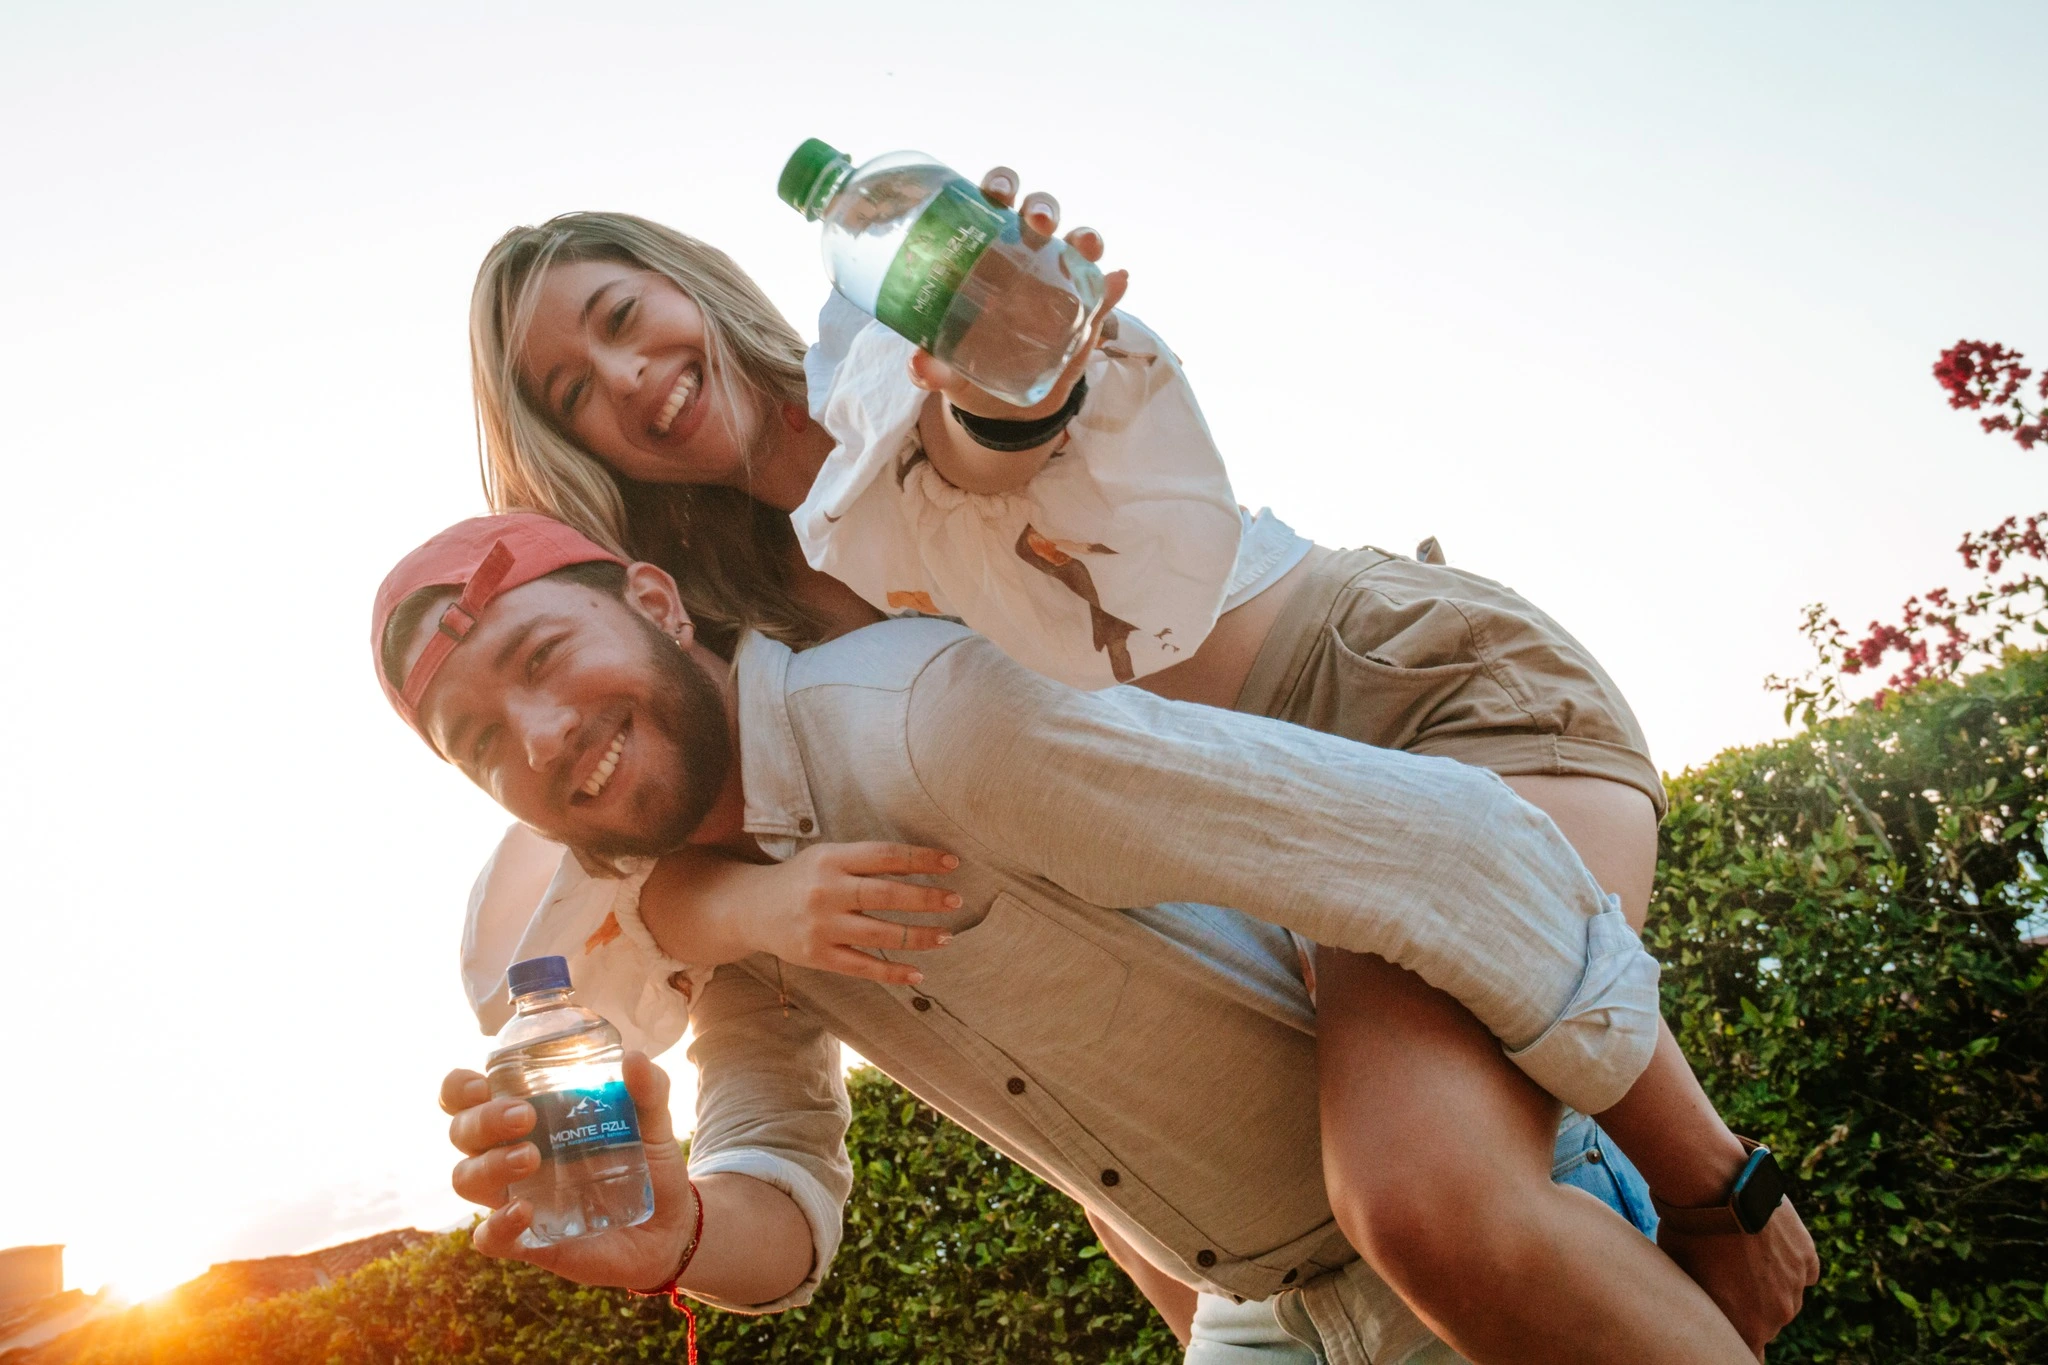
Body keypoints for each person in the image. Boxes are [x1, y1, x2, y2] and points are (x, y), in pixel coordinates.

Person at [461, 182, 1682, 1351]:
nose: (627, 377)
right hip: (1254, 856)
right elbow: (609, 875)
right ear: (574, 455)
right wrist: (739, 906)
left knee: (1422, 1187)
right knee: (1161, 1231)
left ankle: (1720, 1193)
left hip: (1397, 697)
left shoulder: (887, 368)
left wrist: (1015, 384)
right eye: (573, 392)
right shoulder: (730, 634)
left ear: (687, 285)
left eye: (621, 317)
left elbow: (986, 440)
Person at [377, 512, 1818, 1363]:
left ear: (653, 600)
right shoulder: (723, 910)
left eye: (543, 658)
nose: (541, 738)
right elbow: (788, 1197)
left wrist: (1714, 1184)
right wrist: (675, 1227)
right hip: (1258, 1318)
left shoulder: (928, 721)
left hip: (1481, 1235)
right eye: (481, 740)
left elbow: (1454, 850)